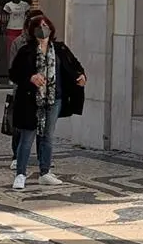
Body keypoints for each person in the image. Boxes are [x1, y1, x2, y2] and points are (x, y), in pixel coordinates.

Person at [7, 11, 86, 191]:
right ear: (32, 30)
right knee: (27, 136)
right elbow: (14, 73)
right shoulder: (26, 50)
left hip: (53, 99)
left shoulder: (60, 49)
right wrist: (31, 77)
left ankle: (45, 172)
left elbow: (74, 65)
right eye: (39, 26)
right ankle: (20, 173)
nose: (43, 29)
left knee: (47, 137)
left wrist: (80, 76)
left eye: (46, 25)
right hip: (30, 100)